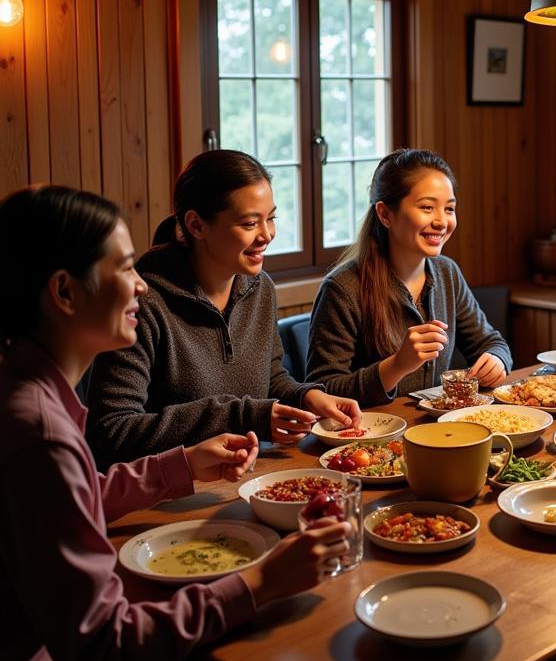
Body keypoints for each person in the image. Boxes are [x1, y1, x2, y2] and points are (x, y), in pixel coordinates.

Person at [0, 185, 352, 661]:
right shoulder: (36, 429)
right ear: (63, 291)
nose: (140, 285)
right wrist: (262, 581)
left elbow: (70, 497)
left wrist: (180, 466)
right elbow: (104, 648)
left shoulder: (26, 387)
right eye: (122, 268)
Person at [87, 150, 360, 467]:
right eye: (249, 223)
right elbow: (111, 432)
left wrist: (306, 397)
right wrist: (242, 416)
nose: (267, 235)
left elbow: (269, 379)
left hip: (248, 474)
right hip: (171, 497)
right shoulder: (144, 303)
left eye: (271, 218)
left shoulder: (260, 289)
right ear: (196, 225)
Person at [306, 149, 512, 405]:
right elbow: (322, 389)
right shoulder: (342, 288)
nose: (441, 221)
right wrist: (397, 365)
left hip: (438, 432)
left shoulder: (447, 272)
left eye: (449, 209)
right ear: (385, 214)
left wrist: (496, 358)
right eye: (427, 207)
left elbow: (491, 341)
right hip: (369, 438)